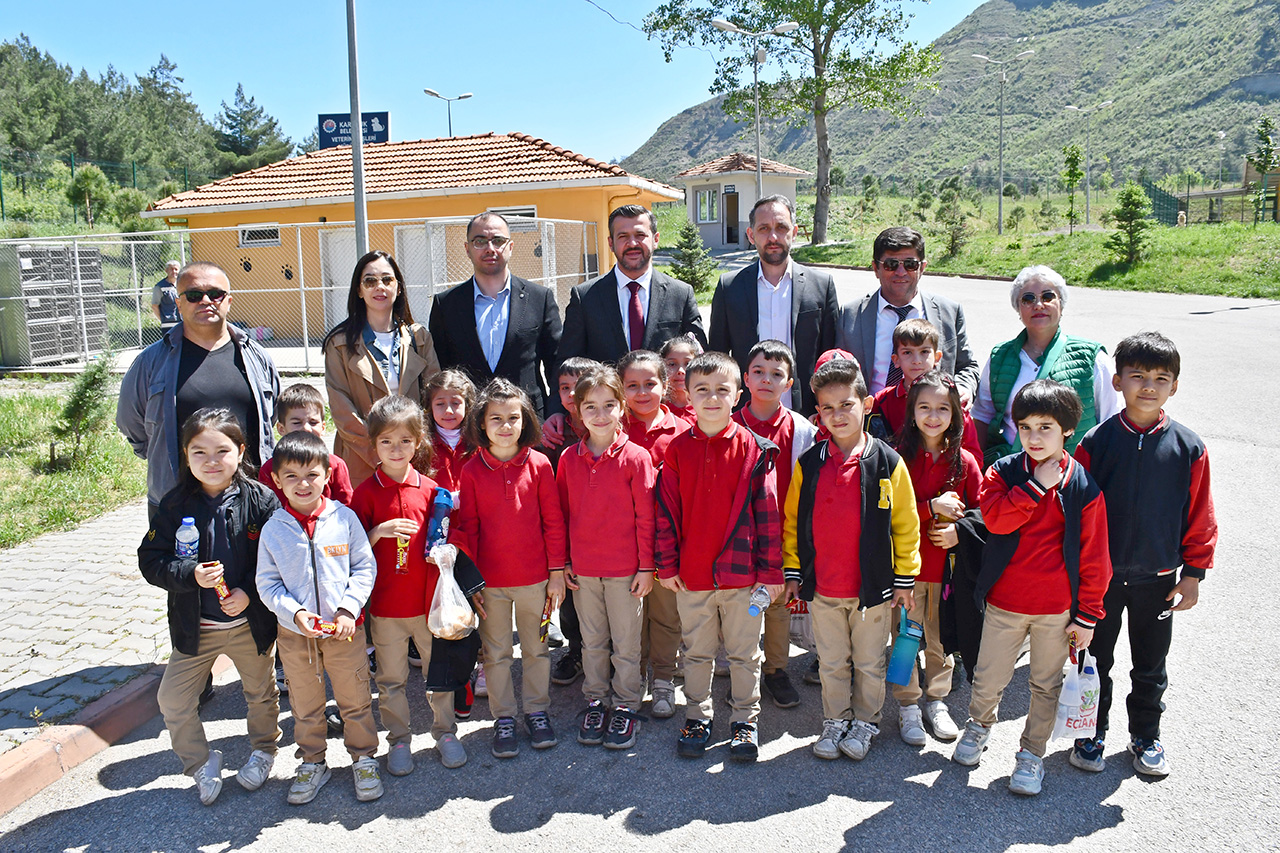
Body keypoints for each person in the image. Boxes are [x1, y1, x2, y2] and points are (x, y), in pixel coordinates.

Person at [953, 380, 1112, 797]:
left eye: (1046, 427)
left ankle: (1031, 754)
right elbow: (998, 520)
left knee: (1045, 685)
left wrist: (1087, 615)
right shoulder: (1003, 472)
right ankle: (978, 726)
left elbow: (1096, 559)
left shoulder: (1083, 488)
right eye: (1025, 427)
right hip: (1005, 603)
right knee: (988, 678)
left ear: (1067, 432)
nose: (1034, 437)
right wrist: (1036, 487)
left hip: (1057, 611)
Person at [1072, 332, 1217, 777]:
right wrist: (1073, 577)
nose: (1148, 387)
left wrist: (1193, 572)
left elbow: (1200, 512)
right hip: (1102, 581)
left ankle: (1146, 736)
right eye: (1137, 376)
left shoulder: (1188, 448)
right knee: (1094, 660)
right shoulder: (1096, 443)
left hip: (1158, 579)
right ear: (1117, 382)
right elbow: (1073, 514)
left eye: (1160, 378)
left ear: (1174, 385)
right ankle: (1090, 733)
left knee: (1150, 664)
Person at [138, 408, 280, 806]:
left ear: (241, 451)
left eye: (222, 450)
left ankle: (264, 750)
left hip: (248, 625)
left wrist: (249, 593)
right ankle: (200, 762)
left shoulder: (261, 500)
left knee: (261, 693)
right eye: (199, 452)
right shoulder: (174, 503)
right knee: (173, 700)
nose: (211, 461)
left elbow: (280, 557)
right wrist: (189, 574)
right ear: (185, 455)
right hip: (195, 626)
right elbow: (151, 560)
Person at [781, 358, 920, 762]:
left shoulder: (888, 463)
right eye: (827, 408)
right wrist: (794, 570)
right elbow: (794, 521)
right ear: (818, 413)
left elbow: (906, 525)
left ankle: (865, 721)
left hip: (872, 590)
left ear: (867, 404)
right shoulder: (809, 464)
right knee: (832, 661)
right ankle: (834, 720)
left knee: (870, 660)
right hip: (823, 587)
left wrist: (906, 576)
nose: (837, 415)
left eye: (846, 404)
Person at [655, 352, 783, 762]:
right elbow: (665, 512)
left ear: (738, 395)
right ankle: (697, 714)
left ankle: (745, 720)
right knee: (696, 651)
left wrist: (772, 573)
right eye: (702, 390)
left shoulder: (755, 450)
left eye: (722, 390)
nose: (712, 398)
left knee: (746, 652)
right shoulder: (676, 451)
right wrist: (668, 565)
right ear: (687, 395)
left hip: (743, 578)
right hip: (691, 577)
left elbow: (768, 516)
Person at [256, 430, 382, 805]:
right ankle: (313, 761)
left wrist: (348, 608)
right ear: (277, 481)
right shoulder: (273, 529)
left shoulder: (344, 519)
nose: (303, 484)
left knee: (355, 697)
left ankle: (363, 758)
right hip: (296, 636)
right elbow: (267, 583)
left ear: (328, 474)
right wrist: (293, 613)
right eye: (291, 476)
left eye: (312, 474)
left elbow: (363, 567)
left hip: (345, 631)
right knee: (305, 704)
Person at [348, 395, 470, 774]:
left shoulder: (434, 493)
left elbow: (455, 538)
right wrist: (378, 532)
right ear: (374, 446)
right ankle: (399, 739)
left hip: (429, 606)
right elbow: (352, 550)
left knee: (440, 674)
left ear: (417, 443)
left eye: (404, 441)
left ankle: (445, 731)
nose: (395, 449)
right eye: (386, 442)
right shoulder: (365, 493)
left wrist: (447, 552)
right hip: (385, 609)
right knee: (390, 680)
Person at [450, 379, 567, 759]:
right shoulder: (471, 470)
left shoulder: (539, 465)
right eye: (495, 418)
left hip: (536, 581)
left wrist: (555, 574)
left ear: (525, 420)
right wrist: (471, 583)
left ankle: (536, 710)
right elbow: (467, 528)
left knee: (536, 648)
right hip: (491, 585)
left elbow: (553, 523)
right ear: (481, 424)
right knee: (496, 652)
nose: (505, 425)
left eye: (513, 417)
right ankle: (503, 716)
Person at [118, 261, 281, 516]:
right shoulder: (151, 362)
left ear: (228, 301)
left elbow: (270, 417)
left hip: (250, 503)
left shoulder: (256, 357)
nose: (206, 300)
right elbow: (131, 423)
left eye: (215, 294)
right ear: (179, 303)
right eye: (194, 295)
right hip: (176, 504)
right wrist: (160, 456)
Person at [557, 366, 656, 750]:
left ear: (622, 408)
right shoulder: (568, 458)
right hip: (583, 569)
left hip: (625, 570)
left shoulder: (636, 457)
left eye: (609, 405)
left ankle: (627, 704)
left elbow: (646, 516)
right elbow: (562, 514)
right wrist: (564, 560)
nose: (600, 414)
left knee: (626, 642)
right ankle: (596, 699)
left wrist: (647, 566)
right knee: (593, 640)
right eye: (591, 406)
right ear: (578, 411)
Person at [891, 370, 981, 745]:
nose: (933, 415)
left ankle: (936, 700)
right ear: (912, 412)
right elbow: (888, 511)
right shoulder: (897, 458)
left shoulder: (965, 462)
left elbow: (982, 514)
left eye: (942, 408)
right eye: (924, 407)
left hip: (946, 572)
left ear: (956, 413)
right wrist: (930, 507)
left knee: (940, 640)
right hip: (905, 571)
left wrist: (958, 532)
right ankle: (907, 704)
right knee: (903, 639)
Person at [731, 340, 817, 710]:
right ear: (746, 378)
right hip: (739, 536)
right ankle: (740, 665)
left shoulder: (800, 430)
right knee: (741, 606)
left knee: (779, 605)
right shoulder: (730, 422)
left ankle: (776, 670)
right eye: (759, 372)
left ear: (789, 383)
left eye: (777, 374)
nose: (767, 379)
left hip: (782, 534)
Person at [971, 265, 1122, 466]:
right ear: (1018, 308)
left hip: (1069, 475)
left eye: (1048, 296)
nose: (1038, 304)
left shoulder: (1092, 358)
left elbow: (1111, 419)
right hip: (1010, 472)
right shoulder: (1000, 356)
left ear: (1062, 303)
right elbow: (982, 415)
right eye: (1028, 299)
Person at [708, 195, 838, 415]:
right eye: (764, 229)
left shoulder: (821, 286)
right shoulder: (730, 287)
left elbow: (829, 355)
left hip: (806, 414)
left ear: (794, 232)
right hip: (745, 416)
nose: (773, 236)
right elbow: (718, 355)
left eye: (781, 227)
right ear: (751, 235)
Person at [323, 250, 441, 486]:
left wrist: (409, 450)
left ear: (398, 288)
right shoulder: (339, 343)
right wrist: (380, 454)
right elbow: (342, 410)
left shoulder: (419, 338)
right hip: (361, 463)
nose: (380, 286)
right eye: (370, 281)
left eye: (387, 279)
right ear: (359, 290)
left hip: (411, 460)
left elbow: (433, 397)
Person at [429, 212, 562, 417]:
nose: (490, 248)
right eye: (480, 241)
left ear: (510, 246)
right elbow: (440, 371)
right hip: (469, 426)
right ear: (467, 249)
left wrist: (556, 414)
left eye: (498, 240)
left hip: (529, 423)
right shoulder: (445, 304)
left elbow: (556, 365)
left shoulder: (539, 298)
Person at [618, 349, 690, 719]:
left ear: (665, 385)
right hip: (622, 543)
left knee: (664, 614)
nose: (642, 392)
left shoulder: (680, 431)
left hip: (666, 542)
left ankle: (663, 678)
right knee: (631, 615)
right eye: (632, 385)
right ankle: (635, 675)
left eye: (650, 383)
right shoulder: (612, 428)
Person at [835, 227, 979, 403]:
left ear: (923, 267)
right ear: (876, 268)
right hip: (871, 420)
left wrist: (963, 388)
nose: (901, 272)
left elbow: (967, 366)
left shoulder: (949, 312)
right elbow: (836, 372)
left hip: (931, 423)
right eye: (891, 264)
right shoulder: (850, 316)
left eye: (910, 264)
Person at [421, 368, 480, 721]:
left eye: (455, 403)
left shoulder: (479, 439)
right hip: (441, 546)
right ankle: (459, 680)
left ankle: (482, 665)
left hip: (476, 539)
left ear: (468, 405)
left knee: (480, 607)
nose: (448, 410)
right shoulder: (423, 444)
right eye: (439, 403)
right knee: (449, 612)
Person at [546, 357, 601, 687]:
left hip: (603, 527)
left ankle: (607, 653)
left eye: (577, 387)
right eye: (564, 388)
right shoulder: (554, 433)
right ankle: (576, 649)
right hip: (565, 527)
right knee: (569, 593)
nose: (571, 395)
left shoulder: (608, 424)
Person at [870, 318, 982, 461]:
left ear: (937, 357)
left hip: (947, 480)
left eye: (924, 351)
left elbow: (974, 456)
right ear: (895, 359)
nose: (916, 360)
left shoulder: (954, 399)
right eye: (907, 352)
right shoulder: (883, 400)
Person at [258, 383, 354, 507]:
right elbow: (265, 509)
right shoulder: (269, 469)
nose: (306, 428)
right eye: (297, 422)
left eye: (313, 422)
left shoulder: (335, 465)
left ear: (323, 427)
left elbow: (347, 507)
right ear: (281, 429)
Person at [661, 334, 703, 425]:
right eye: (672, 364)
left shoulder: (707, 410)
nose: (680, 371)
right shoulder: (657, 410)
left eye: (687, 364)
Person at [151, 260, 182, 331]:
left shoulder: (182, 285)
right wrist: (163, 320)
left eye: (176, 269)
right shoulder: (160, 287)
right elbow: (154, 306)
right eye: (171, 269)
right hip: (168, 325)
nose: (174, 271)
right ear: (166, 271)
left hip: (183, 323)